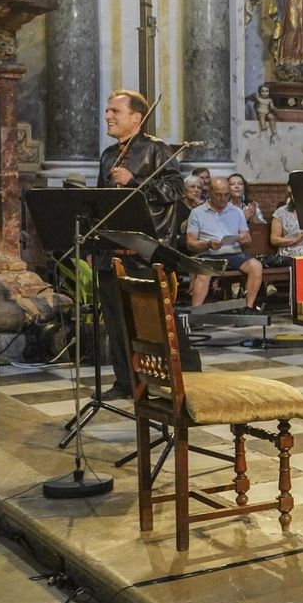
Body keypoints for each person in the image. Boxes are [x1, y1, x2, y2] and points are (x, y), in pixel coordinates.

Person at [95, 90, 200, 398]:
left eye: (115, 110)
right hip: (111, 252)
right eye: (107, 110)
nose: (108, 116)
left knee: (158, 321)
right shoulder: (107, 155)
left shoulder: (157, 150)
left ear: (136, 118)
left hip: (146, 252)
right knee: (116, 322)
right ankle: (126, 382)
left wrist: (135, 181)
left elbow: (175, 188)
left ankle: (190, 375)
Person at [187, 177, 263, 308]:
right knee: (204, 274)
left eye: (226, 195)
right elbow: (190, 243)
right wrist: (208, 244)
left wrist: (245, 240)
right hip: (208, 254)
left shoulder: (237, 212)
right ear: (210, 193)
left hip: (233, 253)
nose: (223, 198)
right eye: (218, 195)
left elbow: (248, 239)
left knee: (256, 266)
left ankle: (248, 307)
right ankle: (196, 312)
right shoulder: (197, 213)